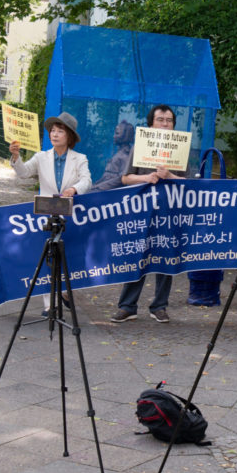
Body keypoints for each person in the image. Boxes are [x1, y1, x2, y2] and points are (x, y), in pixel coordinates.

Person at [9, 111, 92, 316]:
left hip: (70, 215)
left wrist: (74, 189)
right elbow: (23, 173)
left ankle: (64, 292)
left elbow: (87, 180)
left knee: (68, 256)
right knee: (47, 257)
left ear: (69, 136)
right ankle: (49, 305)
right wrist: (16, 157)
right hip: (45, 214)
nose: (54, 135)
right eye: (52, 131)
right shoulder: (41, 157)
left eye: (60, 131)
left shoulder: (80, 158)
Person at [111, 104, 185, 324]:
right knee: (137, 257)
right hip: (142, 213)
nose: (165, 124)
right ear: (151, 123)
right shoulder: (140, 146)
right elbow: (125, 178)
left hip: (170, 213)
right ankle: (127, 306)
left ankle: (159, 306)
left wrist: (170, 175)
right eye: (160, 119)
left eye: (169, 120)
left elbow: (188, 183)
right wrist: (146, 178)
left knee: (166, 258)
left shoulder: (181, 148)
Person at [89, 120, 135, 192]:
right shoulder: (119, 154)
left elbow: (120, 179)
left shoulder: (125, 156)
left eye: (117, 133)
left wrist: (98, 188)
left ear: (126, 135)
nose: (114, 136)